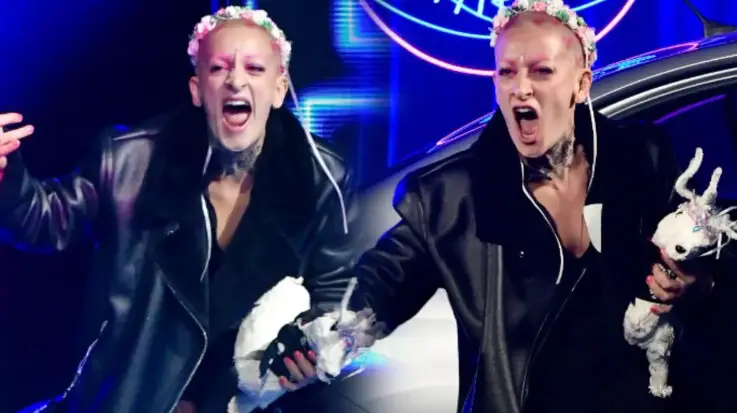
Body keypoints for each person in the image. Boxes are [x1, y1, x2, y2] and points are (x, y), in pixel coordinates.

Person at [281, 0, 734, 412]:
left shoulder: (641, 158)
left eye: (541, 72)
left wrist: (697, 284)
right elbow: (379, 285)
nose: (521, 89)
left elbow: (705, 255)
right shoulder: (451, 197)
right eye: (506, 72)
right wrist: (316, 339)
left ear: (580, 84)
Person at [0, 6, 358, 413]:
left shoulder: (321, 178)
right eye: (219, 68)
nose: (236, 80)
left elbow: (334, 295)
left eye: (255, 68)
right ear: (197, 89)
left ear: (279, 88)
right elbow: (45, 222)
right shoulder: (130, 161)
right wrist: (6, 177)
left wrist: (312, 352)